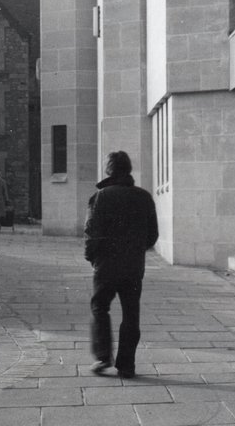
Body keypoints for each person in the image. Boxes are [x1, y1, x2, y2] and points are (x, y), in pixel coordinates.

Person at [84, 150, 158, 378]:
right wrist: (135, 250)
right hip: (133, 265)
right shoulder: (144, 196)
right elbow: (153, 235)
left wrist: (92, 257)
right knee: (131, 312)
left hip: (106, 264)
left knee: (99, 307)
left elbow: (90, 232)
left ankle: (103, 357)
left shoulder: (100, 196)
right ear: (129, 169)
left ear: (109, 170)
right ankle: (127, 365)